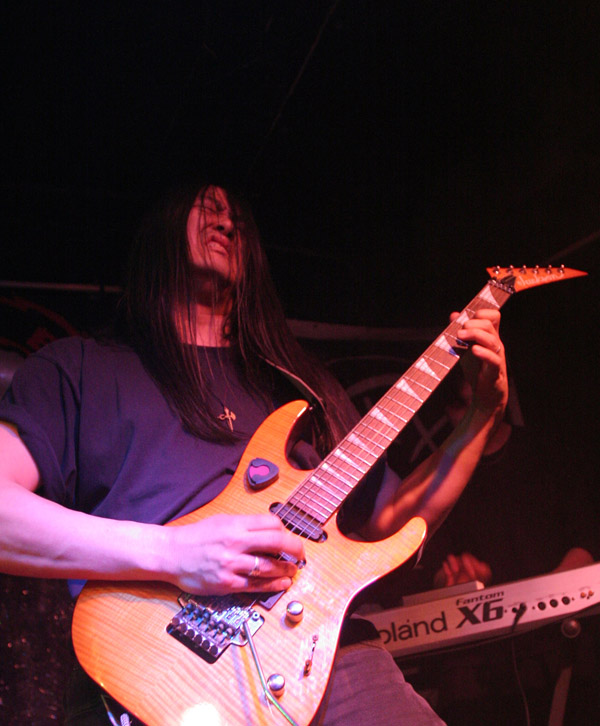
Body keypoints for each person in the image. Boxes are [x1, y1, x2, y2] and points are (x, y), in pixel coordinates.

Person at [0, 183, 508, 725]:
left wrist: (481, 415)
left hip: (332, 659)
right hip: (155, 666)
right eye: (206, 204)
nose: (225, 220)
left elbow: (392, 520)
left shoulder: (300, 386)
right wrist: (173, 553)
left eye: (237, 215)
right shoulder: (80, 369)